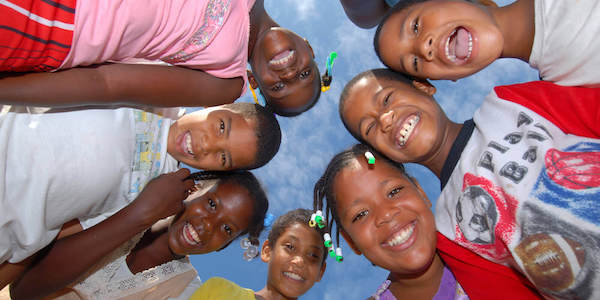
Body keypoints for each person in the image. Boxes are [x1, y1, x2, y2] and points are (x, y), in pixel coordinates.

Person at [339, 68, 600, 298]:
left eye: (387, 99)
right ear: (381, 153)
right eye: (370, 128)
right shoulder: (446, 230)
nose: (385, 119)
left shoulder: (506, 104)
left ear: (423, 87)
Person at [0, 102, 281, 267]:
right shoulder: (160, 98)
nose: (207, 144)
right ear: (213, 105)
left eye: (222, 157)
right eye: (221, 126)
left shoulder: (158, 191)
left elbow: (68, 228)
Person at [0, 0, 322, 116]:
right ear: (308, 46)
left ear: (255, 84)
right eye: (305, 75)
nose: (289, 74)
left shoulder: (226, 81)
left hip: (59, 22)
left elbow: (109, 84)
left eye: (279, 88)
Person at [9, 170, 270, 299]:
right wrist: (137, 217)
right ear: (193, 190)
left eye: (227, 230)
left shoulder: (184, 289)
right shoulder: (123, 202)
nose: (207, 226)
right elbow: (23, 288)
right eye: (212, 204)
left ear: (223, 247)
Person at [314, 144, 473, 299]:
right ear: (351, 242)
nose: (386, 214)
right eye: (361, 214)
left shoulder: (488, 240)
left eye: (394, 191)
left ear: (421, 192)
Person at [373, 0, 600, 87]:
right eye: (414, 63)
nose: (424, 48)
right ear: (452, 77)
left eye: (415, 26)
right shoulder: (571, 86)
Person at [189, 208, 327, 300]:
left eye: (313, 256)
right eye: (290, 247)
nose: (299, 261)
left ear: (321, 272)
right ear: (267, 251)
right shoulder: (219, 293)